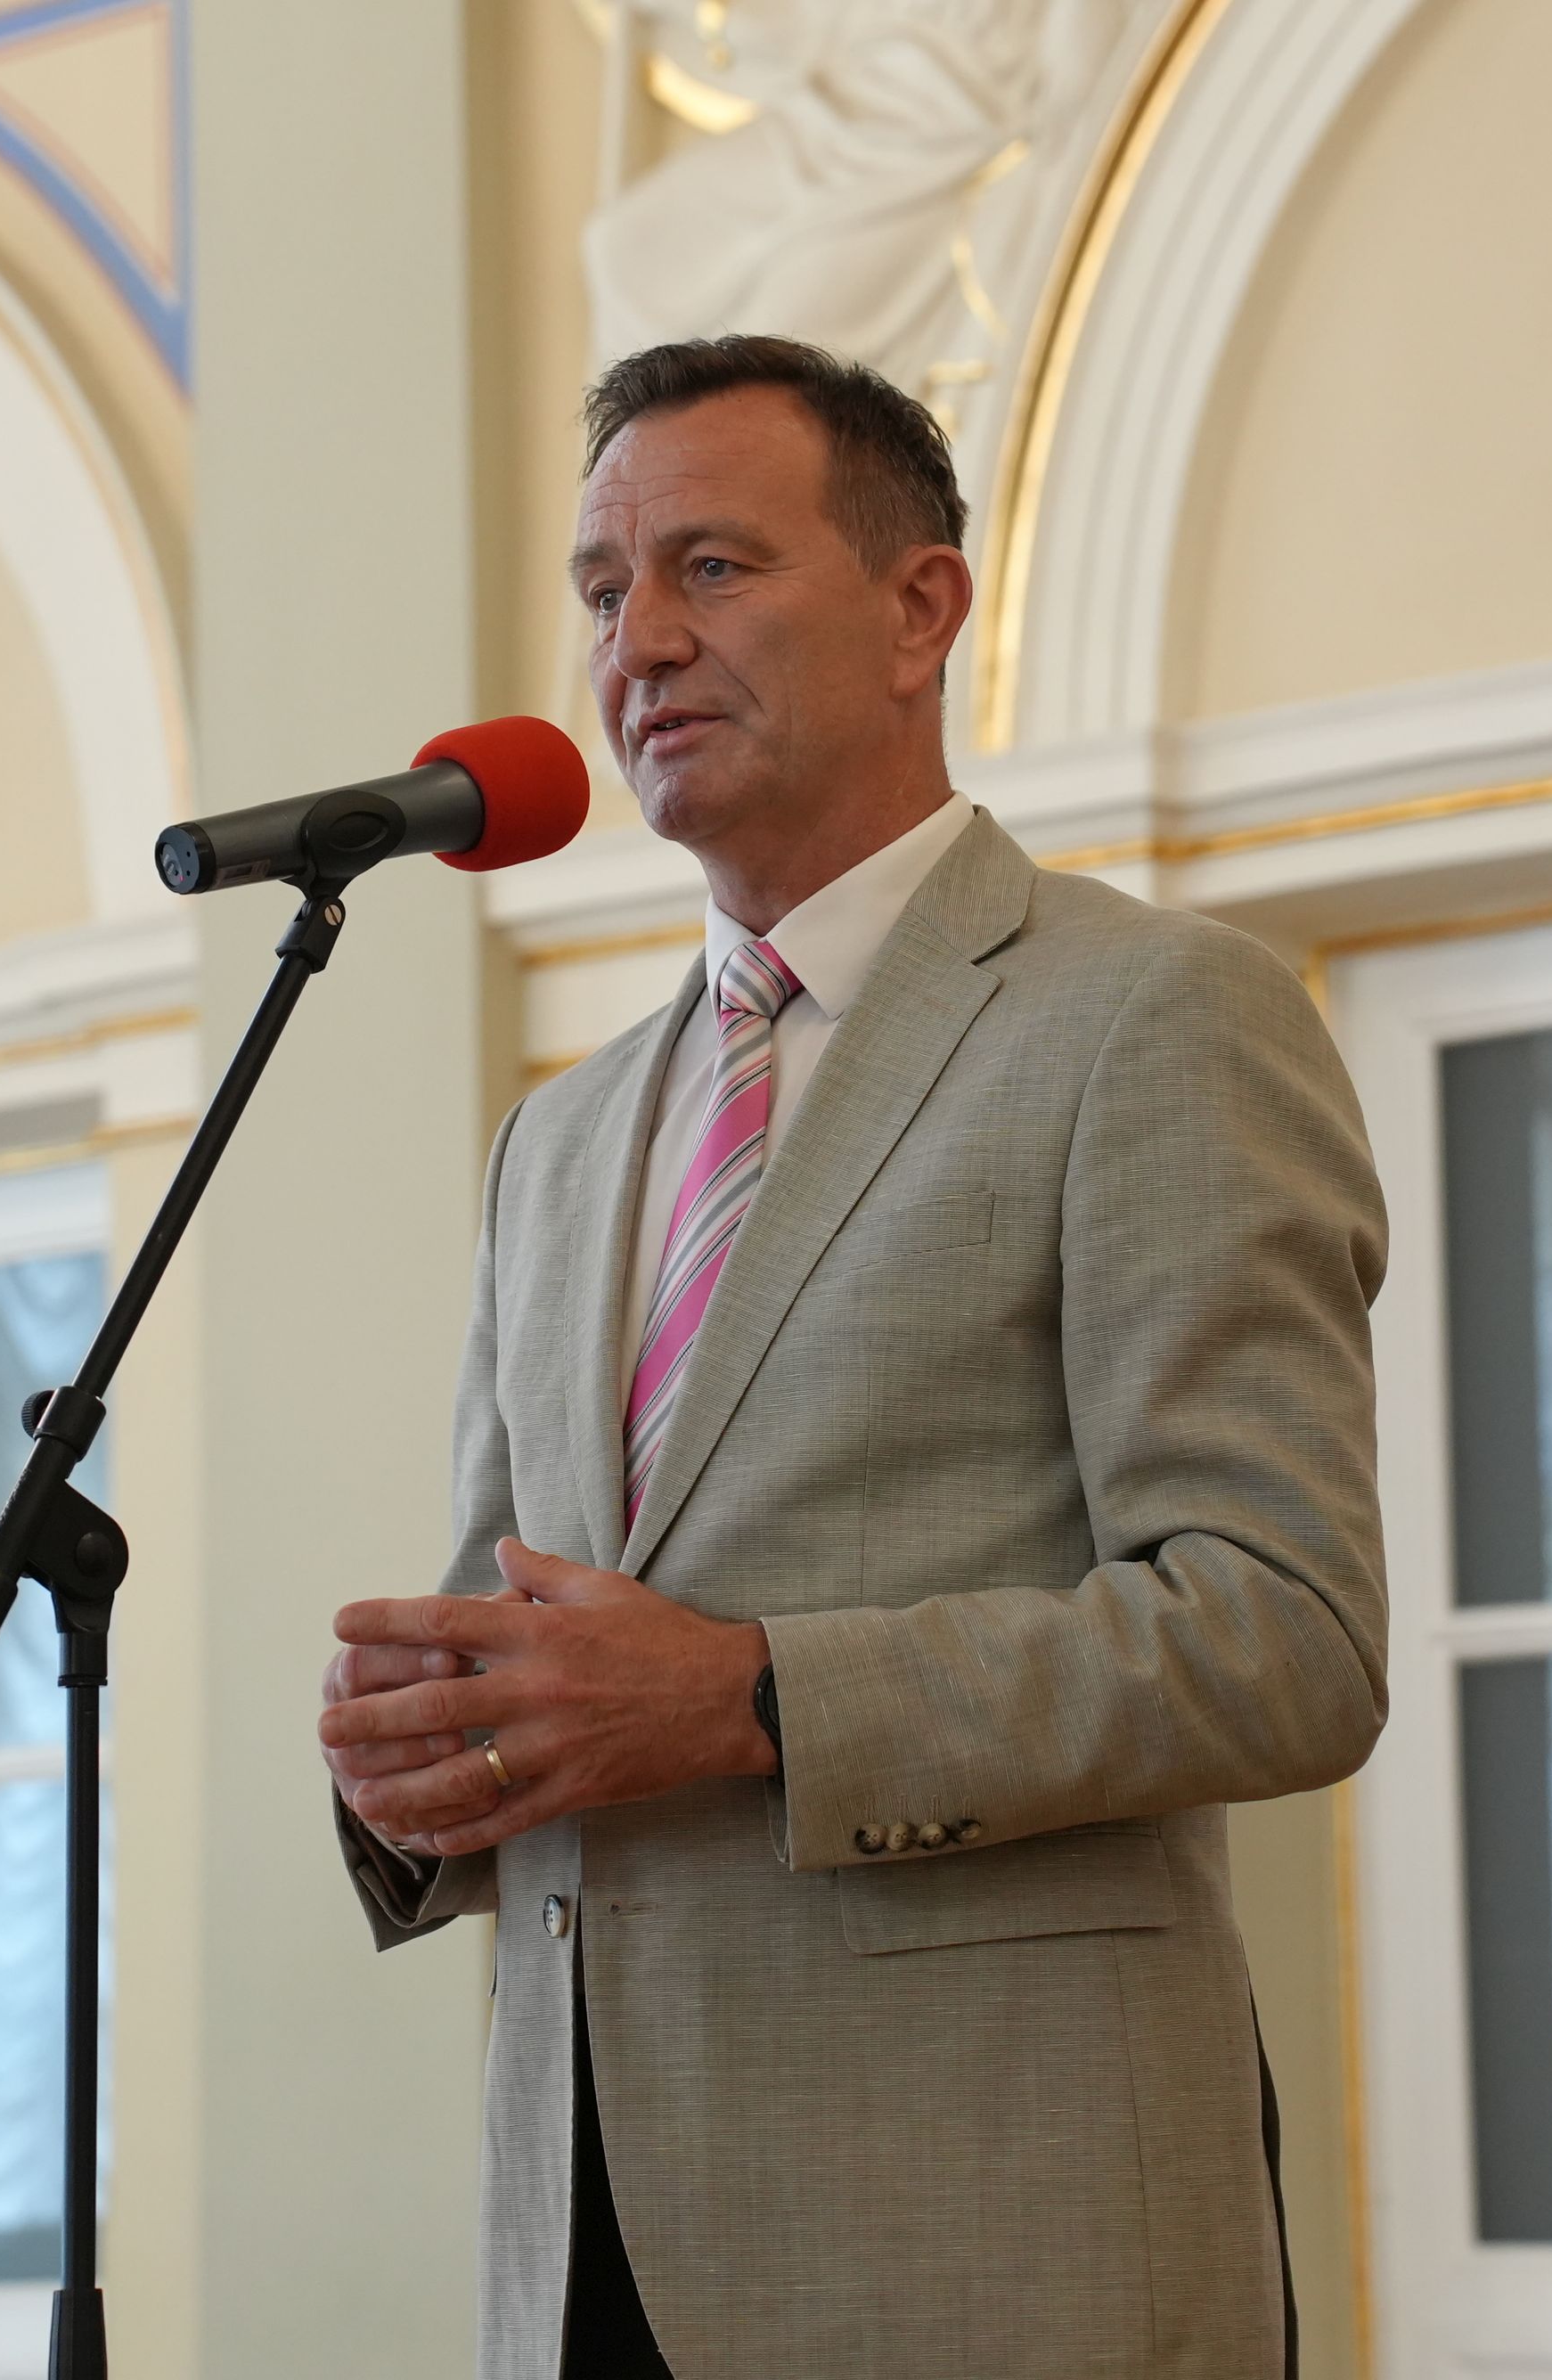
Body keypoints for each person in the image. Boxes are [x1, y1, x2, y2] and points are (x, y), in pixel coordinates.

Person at [314, 333, 1387, 2380]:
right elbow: (523, 1629)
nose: (637, 640)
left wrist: (747, 1696)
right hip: (585, 2245)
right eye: (601, 589)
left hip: (988, 2237)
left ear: (919, 610)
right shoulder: (559, 1139)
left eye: (711, 567)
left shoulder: (1149, 1019)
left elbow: (1282, 1635)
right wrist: (426, 1758)